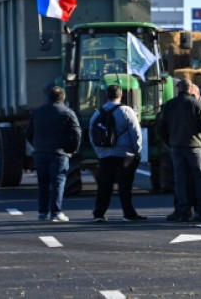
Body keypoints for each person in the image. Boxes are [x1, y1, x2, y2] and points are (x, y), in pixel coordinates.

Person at [159, 79, 201, 222]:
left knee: (180, 180)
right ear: (190, 89)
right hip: (195, 147)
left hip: (176, 147)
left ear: (178, 88)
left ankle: (182, 211)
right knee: (199, 179)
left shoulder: (169, 105)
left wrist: (171, 142)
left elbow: (161, 128)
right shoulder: (197, 104)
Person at [90, 84, 146, 222]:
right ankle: (128, 213)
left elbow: (92, 134)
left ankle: (99, 214)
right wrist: (137, 150)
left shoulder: (97, 113)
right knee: (125, 185)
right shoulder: (126, 110)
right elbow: (135, 132)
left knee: (104, 185)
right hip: (124, 153)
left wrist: (100, 152)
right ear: (121, 95)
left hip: (105, 154)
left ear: (106, 95)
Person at [26, 85, 81, 222]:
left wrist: (37, 145)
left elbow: (28, 133)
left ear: (48, 97)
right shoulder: (68, 112)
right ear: (63, 97)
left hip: (40, 152)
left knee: (43, 183)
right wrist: (73, 149)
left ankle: (42, 212)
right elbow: (76, 133)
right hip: (59, 153)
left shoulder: (37, 112)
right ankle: (56, 212)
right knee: (58, 182)